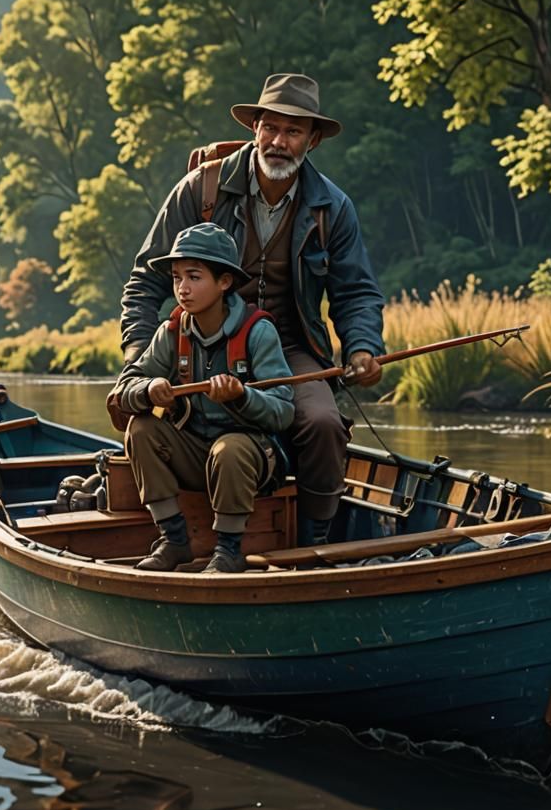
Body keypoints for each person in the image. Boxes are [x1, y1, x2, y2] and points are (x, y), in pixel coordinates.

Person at [120, 73, 385, 546]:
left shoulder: (332, 208)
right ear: (255, 128)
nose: (279, 141)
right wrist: (137, 361)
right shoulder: (200, 191)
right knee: (145, 424)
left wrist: (363, 347)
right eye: (271, 128)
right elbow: (145, 282)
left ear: (313, 140)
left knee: (323, 423)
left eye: (293, 131)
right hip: (205, 341)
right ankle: (180, 533)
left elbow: (356, 292)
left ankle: (313, 542)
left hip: (291, 348)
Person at [111, 223, 295, 574]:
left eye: (194, 277)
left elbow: (284, 412)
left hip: (251, 460)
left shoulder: (258, 332)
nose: (182, 288)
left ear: (224, 282)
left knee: (231, 448)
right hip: (196, 454)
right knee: (142, 428)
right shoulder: (172, 331)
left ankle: (228, 550)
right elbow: (124, 388)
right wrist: (147, 391)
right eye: (177, 277)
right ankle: (174, 540)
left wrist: (242, 397)